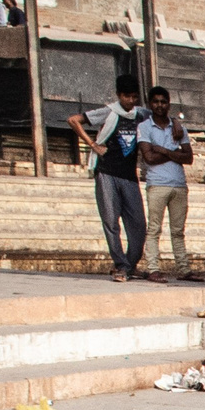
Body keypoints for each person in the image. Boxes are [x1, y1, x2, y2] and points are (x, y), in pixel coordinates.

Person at [67, 76, 147, 283]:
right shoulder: (109, 111)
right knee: (111, 221)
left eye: (134, 97)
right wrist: (93, 145)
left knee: (138, 224)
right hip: (107, 172)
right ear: (119, 96)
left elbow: (163, 119)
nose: (130, 101)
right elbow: (73, 120)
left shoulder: (141, 115)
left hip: (129, 175)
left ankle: (129, 265)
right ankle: (121, 265)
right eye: (126, 96)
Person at [135, 84, 202, 282]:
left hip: (179, 184)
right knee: (154, 229)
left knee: (178, 231)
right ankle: (153, 268)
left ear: (169, 104)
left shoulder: (178, 128)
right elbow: (149, 158)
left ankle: (184, 270)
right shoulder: (144, 127)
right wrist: (175, 154)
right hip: (157, 184)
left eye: (163, 102)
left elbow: (188, 158)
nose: (159, 105)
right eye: (155, 102)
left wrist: (163, 150)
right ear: (150, 104)